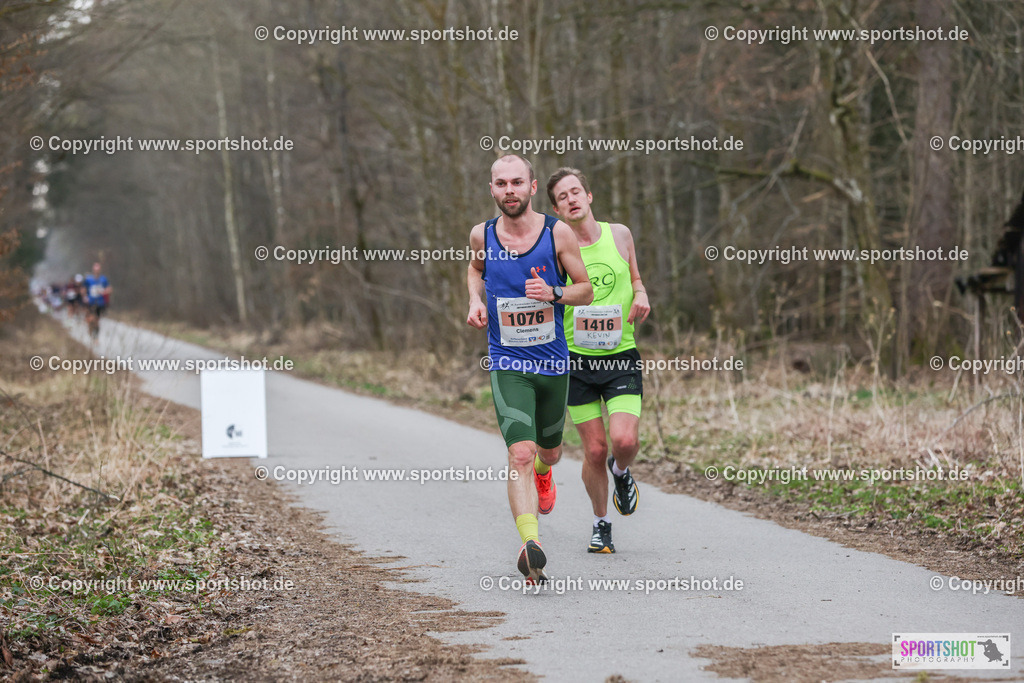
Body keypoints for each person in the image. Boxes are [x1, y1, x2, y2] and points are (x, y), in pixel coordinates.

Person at [466, 154, 593, 584]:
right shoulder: (481, 235)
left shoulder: (557, 234)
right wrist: (475, 300)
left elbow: (586, 291)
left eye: (517, 182)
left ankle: (545, 472)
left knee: (549, 451)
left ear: (532, 187)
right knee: (520, 451)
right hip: (507, 362)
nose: (509, 191)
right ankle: (530, 545)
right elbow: (475, 269)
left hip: (554, 362)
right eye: (501, 184)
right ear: (492, 190)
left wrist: (554, 292)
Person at [546, 167, 651, 554]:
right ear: (556, 209)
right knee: (593, 450)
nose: (572, 199)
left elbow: (636, 279)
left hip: (620, 355)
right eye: (563, 197)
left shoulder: (620, 234)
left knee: (623, 440)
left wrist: (640, 293)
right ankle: (600, 523)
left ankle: (621, 472)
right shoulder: (557, 249)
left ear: (589, 197)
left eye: (577, 191)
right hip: (576, 361)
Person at [83, 262, 111, 339]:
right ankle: (90, 329)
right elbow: (84, 289)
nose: (97, 272)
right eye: (95, 270)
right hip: (90, 302)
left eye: (98, 270)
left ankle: (95, 336)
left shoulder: (103, 279)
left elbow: (109, 289)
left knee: (96, 320)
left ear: (100, 270)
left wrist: (104, 291)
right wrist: (85, 297)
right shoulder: (88, 279)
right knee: (91, 318)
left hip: (100, 303)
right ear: (93, 270)